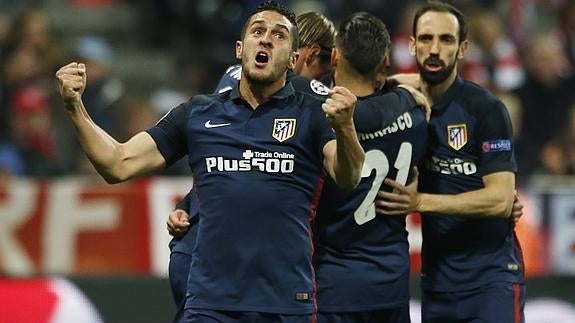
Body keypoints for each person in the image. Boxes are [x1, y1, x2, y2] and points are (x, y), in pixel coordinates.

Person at [55, 2, 365, 323]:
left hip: (286, 303)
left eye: (279, 35)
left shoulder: (312, 113)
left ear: (293, 57)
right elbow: (117, 163)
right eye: (258, 32)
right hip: (210, 305)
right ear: (239, 49)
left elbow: (350, 175)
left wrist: (345, 128)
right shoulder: (198, 113)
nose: (266, 40)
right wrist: (74, 107)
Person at [165, 10, 338, 320]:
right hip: (227, 276)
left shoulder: (232, 82)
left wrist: (187, 205)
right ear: (309, 56)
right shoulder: (312, 99)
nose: (329, 76)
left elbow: (227, 158)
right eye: (327, 65)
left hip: (202, 263)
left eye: (278, 36)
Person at [376, 2, 525, 323]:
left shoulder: (485, 110)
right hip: (438, 283)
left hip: (491, 280)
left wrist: (420, 202)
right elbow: (363, 84)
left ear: (462, 49)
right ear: (412, 44)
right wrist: (399, 84)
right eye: (426, 39)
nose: (434, 49)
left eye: (446, 40)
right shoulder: (400, 103)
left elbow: (501, 200)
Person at [312, 12, 428, 323]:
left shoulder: (317, 120)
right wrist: (403, 93)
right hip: (390, 285)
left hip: (332, 287)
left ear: (335, 55)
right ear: (384, 64)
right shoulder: (415, 116)